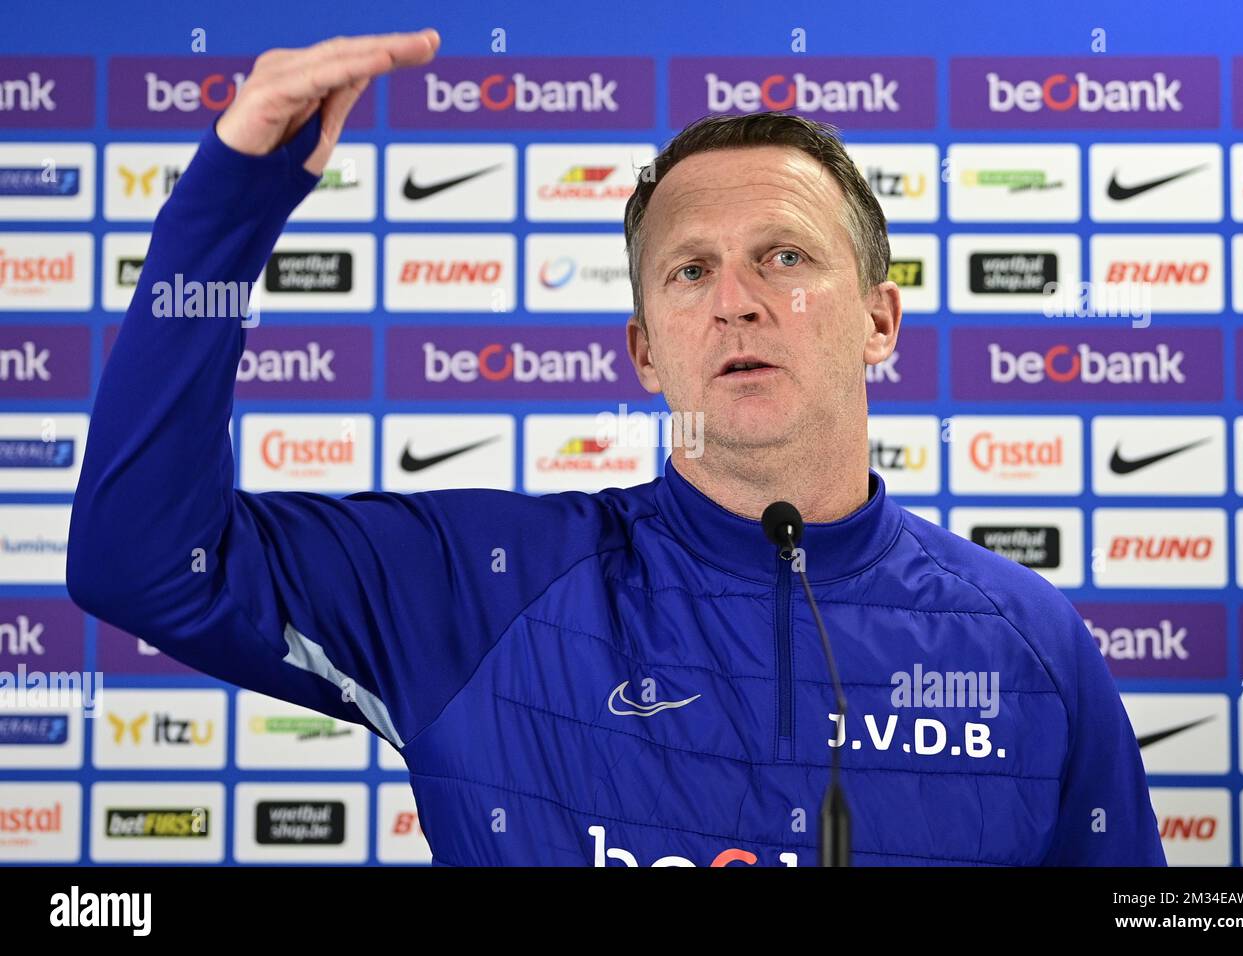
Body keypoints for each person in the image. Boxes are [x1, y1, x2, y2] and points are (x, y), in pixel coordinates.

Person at [67, 29, 1166, 866]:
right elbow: (142, 559)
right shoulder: (473, 588)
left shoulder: (1030, 643)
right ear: (645, 348)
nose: (735, 301)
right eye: (690, 270)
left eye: (783, 256)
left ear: (879, 319)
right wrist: (231, 199)